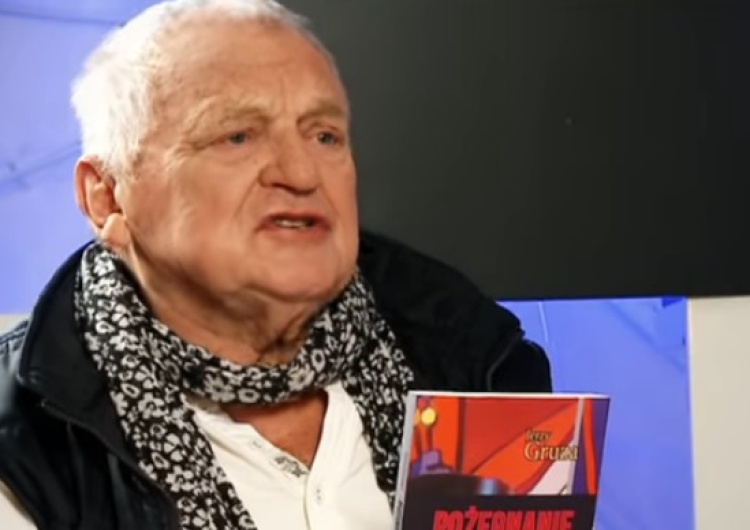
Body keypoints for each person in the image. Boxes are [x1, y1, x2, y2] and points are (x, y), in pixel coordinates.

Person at [0, 1, 551, 529]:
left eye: (325, 136)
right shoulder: (21, 449)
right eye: (237, 136)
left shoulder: (480, 362)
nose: (302, 173)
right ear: (107, 198)